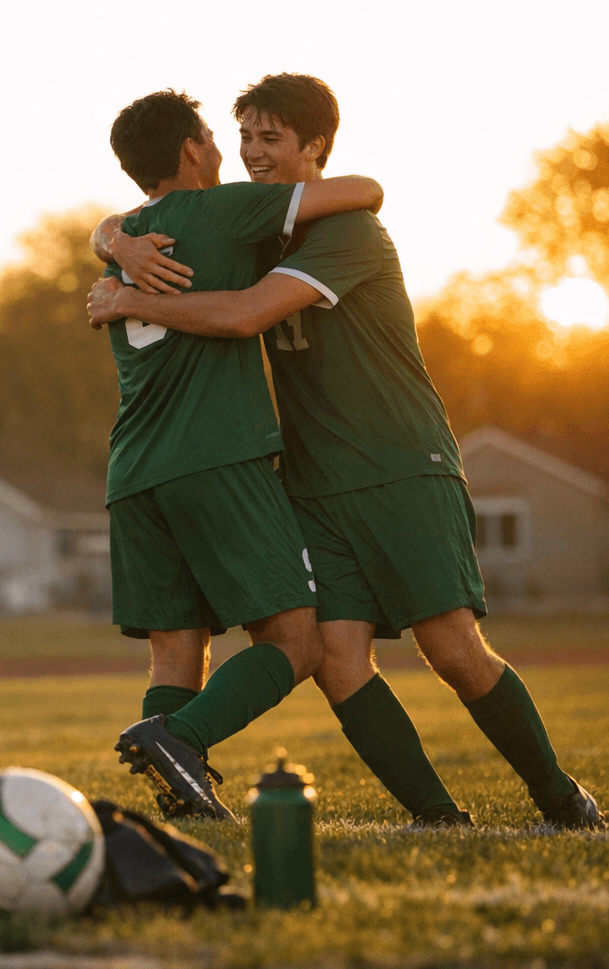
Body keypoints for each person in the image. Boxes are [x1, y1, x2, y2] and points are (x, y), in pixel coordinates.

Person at [87, 74, 601, 830]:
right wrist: (113, 235)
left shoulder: (348, 231)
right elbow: (160, 216)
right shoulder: (248, 230)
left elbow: (250, 313)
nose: (253, 153)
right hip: (314, 484)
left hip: (399, 464)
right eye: (246, 138)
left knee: (453, 650)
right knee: (334, 658)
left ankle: (563, 799)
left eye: (271, 139)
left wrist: (128, 289)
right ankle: (437, 817)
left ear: (315, 147)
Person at [92, 89, 385, 821]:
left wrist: (112, 241)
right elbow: (366, 192)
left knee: (176, 654)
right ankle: (178, 740)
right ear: (192, 150)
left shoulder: (127, 243)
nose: (231, 151)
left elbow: (109, 228)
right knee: (296, 643)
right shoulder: (223, 208)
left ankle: (182, 797)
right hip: (215, 460)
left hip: (132, 476)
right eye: (216, 139)